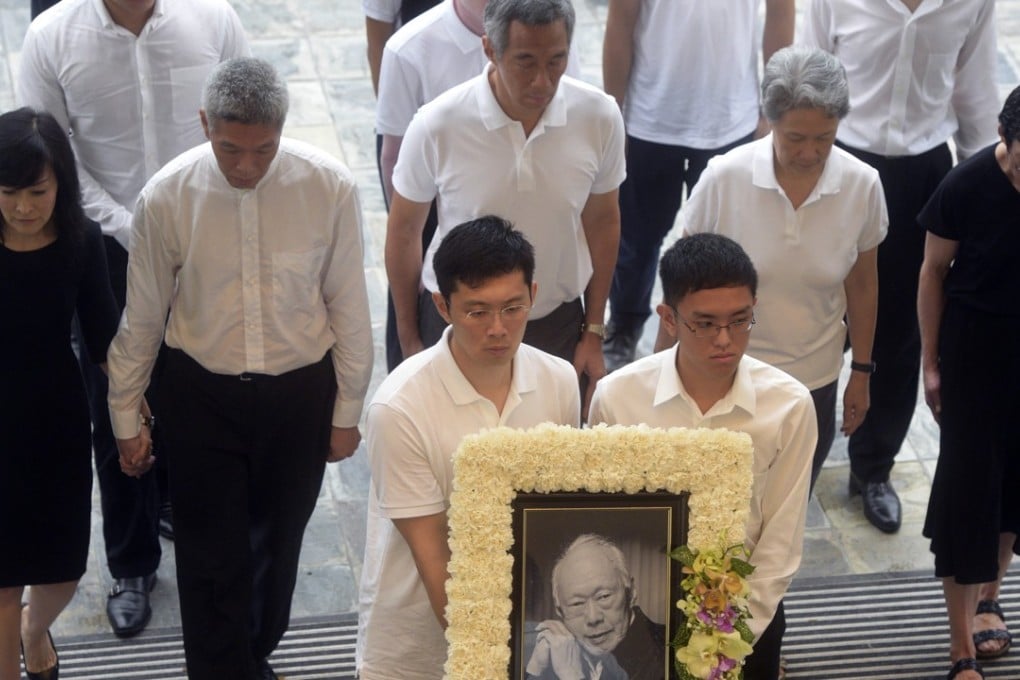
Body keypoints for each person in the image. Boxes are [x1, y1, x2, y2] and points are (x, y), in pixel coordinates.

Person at [106, 57, 373, 680]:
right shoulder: (166, 196)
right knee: (208, 557)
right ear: (204, 125)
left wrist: (349, 412)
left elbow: (349, 308)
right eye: (231, 150)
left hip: (300, 395)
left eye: (263, 150)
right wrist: (125, 413)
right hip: (201, 394)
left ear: (282, 130)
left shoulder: (328, 187)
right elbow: (141, 316)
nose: (247, 166)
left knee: (278, 549)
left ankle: (250, 657)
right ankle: (221, 669)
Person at [17, 0, 250, 636]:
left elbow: (241, 127)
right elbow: (55, 155)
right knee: (114, 400)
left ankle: (181, 513)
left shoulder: (214, 19)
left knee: (203, 386)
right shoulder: (51, 34)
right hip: (102, 247)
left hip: (203, 238)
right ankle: (131, 563)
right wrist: (130, 226)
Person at [801, 0, 999, 536]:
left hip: (923, 172)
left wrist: (992, 198)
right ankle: (788, 444)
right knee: (817, 307)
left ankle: (873, 468)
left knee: (901, 330)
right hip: (841, 159)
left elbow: (975, 93)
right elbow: (808, 72)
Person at [357, 216, 581, 679]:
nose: (497, 328)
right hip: (418, 646)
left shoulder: (559, 380)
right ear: (442, 306)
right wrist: (495, 658)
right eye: (477, 312)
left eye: (513, 308)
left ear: (534, 296)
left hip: (529, 637)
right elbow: (432, 550)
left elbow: (560, 514)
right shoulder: (399, 407)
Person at [662, 46, 886, 495]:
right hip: (721, 373)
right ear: (770, 122)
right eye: (795, 138)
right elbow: (679, 282)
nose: (810, 152)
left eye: (824, 138)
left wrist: (860, 371)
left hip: (811, 383)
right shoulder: (725, 177)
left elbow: (862, 285)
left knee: (784, 507)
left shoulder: (862, 185)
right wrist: (660, 369)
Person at [591, 233, 816, 679]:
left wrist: (729, 636)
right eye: (705, 323)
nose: (725, 340)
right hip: (639, 618)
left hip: (747, 614)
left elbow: (781, 539)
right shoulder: (618, 397)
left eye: (740, 320)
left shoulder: (789, 405)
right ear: (669, 319)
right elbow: (603, 517)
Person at [385, 0, 625, 414]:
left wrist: (593, 331)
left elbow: (602, 222)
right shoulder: (437, 124)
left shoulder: (599, 116)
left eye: (556, 61)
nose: (542, 81)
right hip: (459, 323)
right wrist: (409, 339)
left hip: (555, 322)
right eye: (525, 62)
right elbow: (404, 231)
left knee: (549, 464)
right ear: (490, 50)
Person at [601, 0, 795, 372]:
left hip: (730, 116)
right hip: (651, 115)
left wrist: (771, 109)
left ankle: (716, 330)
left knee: (723, 246)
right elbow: (621, 18)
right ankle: (625, 325)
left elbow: (780, 13)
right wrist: (616, 113)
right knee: (636, 238)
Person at [0, 108, 123, 680]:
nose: (22, 206)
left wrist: (133, 413)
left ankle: (34, 629)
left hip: (55, 421)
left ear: (60, 186)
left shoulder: (81, 242)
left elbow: (104, 342)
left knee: (63, 570)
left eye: (35, 191)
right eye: (7, 192)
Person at [917, 85, 1020, 680]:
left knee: (1015, 484)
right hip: (975, 353)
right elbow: (932, 273)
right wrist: (932, 364)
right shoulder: (966, 185)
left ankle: (990, 596)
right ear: (1006, 141)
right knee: (968, 492)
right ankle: (959, 649)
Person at [526, 534, 667, 680]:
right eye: (577, 603)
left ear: (631, 593)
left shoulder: (674, 650)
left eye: (604, 597)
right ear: (560, 611)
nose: (593, 618)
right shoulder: (550, 656)